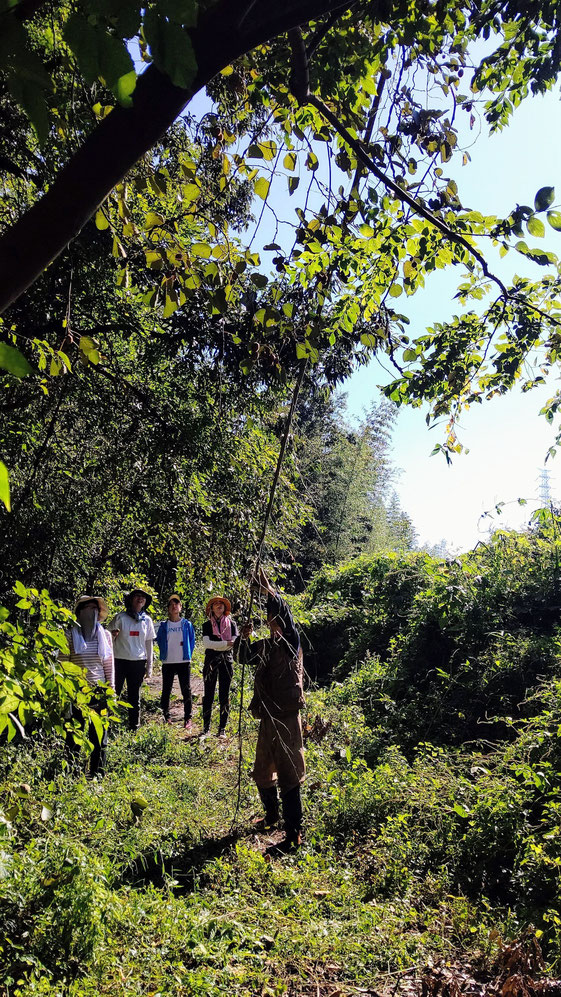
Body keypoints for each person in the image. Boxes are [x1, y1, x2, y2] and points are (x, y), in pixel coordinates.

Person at [241, 568, 305, 851]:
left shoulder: (292, 643)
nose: (276, 627)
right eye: (271, 624)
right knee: (262, 770)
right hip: (267, 716)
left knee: (290, 773)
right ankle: (271, 815)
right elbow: (243, 656)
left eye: (278, 623)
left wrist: (270, 592)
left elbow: (288, 618)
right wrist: (244, 637)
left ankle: (293, 833)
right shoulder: (266, 645)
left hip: (287, 718)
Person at [61, 595, 115, 776]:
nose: (93, 613)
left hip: (99, 692)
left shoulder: (105, 635)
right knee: (73, 736)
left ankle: (97, 774)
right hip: (76, 693)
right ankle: (71, 773)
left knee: (99, 736)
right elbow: (62, 667)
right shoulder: (69, 636)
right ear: (80, 612)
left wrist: (111, 691)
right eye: (89, 609)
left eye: (96, 609)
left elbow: (109, 665)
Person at [107, 588, 156, 730]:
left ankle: (134, 726)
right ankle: (109, 725)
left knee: (135, 696)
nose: (140, 599)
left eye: (143, 597)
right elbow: (108, 639)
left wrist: (149, 666)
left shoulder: (147, 620)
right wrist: (113, 635)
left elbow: (149, 643)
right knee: (113, 693)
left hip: (138, 662)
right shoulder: (120, 617)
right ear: (130, 600)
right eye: (137, 596)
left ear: (145, 602)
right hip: (119, 661)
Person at [155, 594, 196, 730]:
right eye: (171, 604)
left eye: (176, 603)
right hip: (168, 661)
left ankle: (188, 718)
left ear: (180, 607)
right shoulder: (163, 625)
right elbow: (159, 640)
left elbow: (192, 641)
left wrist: (188, 654)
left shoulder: (186, 624)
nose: (174, 606)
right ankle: (166, 716)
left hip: (183, 661)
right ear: (168, 608)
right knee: (166, 689)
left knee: (186, 689)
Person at [201, 595, 239, 739]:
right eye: (216, 604)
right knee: (208, 695)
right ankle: (206, 729)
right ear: (211, 608)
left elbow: (235, 642)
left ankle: (222, 729)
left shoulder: (232, 624)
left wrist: (220, 645)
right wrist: (225, 644)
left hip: (227, 661)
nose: (219, 606)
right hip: (210, 662)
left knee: (224, 695)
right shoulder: (206, 625)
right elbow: (207, 644)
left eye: (221, 604)